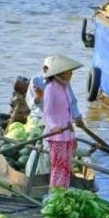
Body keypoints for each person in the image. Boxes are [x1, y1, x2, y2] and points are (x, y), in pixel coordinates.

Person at [43, 55, 83, 189]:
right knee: (58, 167)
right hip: (56, 136)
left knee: (66, 167)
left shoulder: (65, 87)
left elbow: (69, 111)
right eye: (69, 71)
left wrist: (74, 133)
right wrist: (53, 126)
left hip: (67, 134)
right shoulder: (50, 89)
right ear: (60, 72)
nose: (72, 73)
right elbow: (47, 113)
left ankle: (63, 192)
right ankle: (55, 194)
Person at [28, 55, 85, 126]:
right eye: (68, 71)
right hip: (38, 119)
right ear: (58, 72)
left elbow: (72, 101)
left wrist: (77, 117)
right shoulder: (36, 81)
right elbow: (30, 104)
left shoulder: (65, 84)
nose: (71, 74)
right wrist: (37, 99)